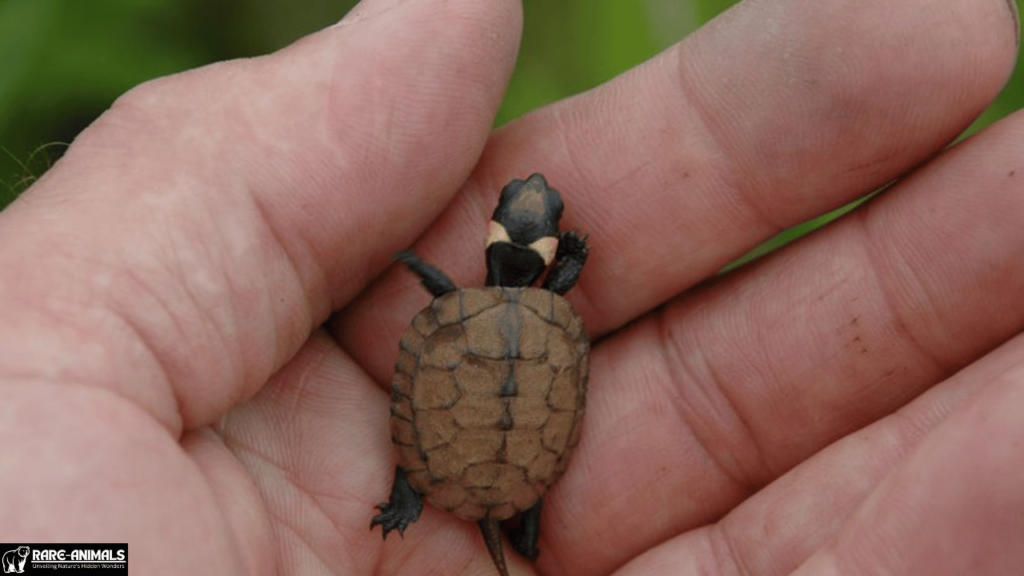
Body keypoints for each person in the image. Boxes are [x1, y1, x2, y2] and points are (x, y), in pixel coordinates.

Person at [0, 0, 1021, 573]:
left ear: (497, 241)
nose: (533, 214)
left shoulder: (445, 299)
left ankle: (418, 504)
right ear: (537, 251)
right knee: (498, 483)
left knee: (445, 455)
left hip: (465, 407)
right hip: (521, 440)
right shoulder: (550, 301)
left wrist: (40, 556)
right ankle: (512, 528)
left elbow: (430, 316)